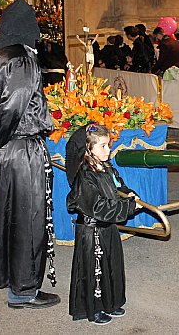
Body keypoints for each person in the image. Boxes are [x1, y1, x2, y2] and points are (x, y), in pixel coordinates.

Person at [0, 0, 60, 309]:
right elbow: (12, 106)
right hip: (21, 149)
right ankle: (24, 290)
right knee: (29, 218)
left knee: (10, 215)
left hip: (7, 150)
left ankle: (12, 281)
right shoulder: (22, 59)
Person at [66, 124, 142, 325]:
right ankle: (95, 308)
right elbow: (98, 206)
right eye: (102, 146)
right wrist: (128, 207)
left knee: (112, 266)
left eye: (108, 145)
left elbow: (119, 186)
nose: (108, 150)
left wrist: (129, 195)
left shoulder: (108, 168)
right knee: (95, 270)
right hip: (93, 231)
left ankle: (112, 302)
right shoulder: (85, 175)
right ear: (88, 150)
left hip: (108, 228)